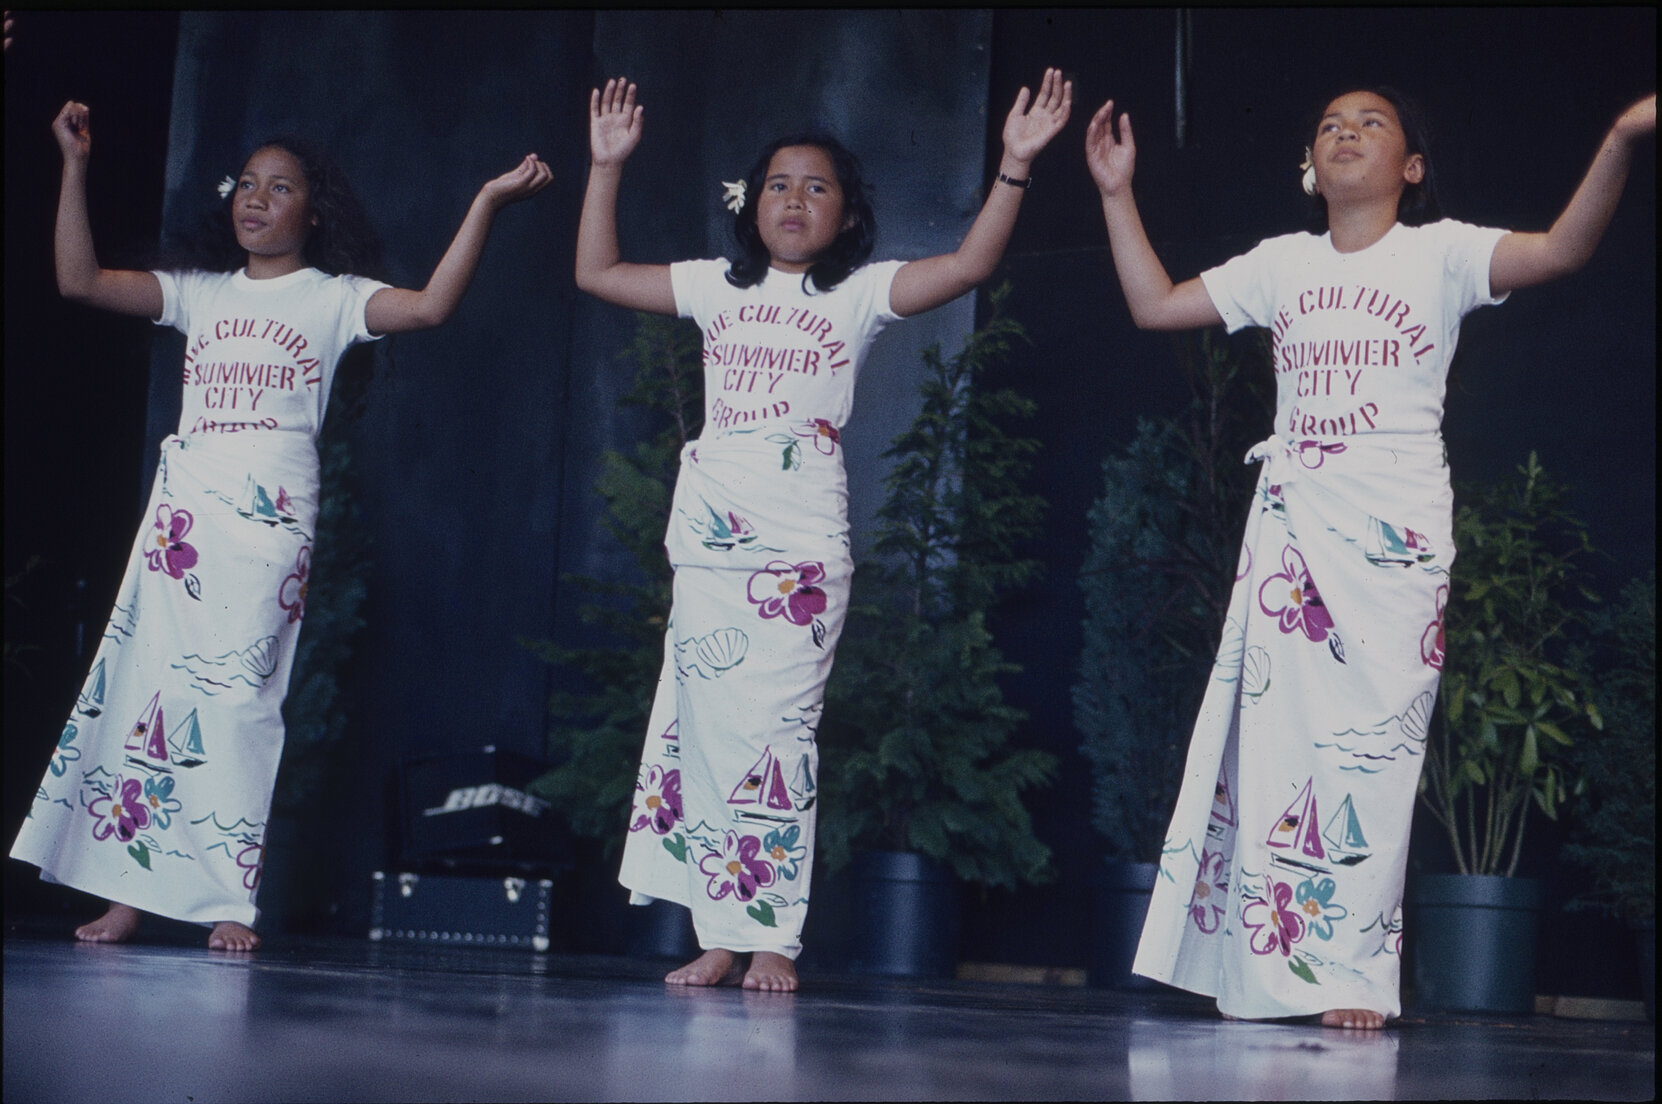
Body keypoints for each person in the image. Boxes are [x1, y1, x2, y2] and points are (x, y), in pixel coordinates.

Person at [1086, 86, 1655, 1028]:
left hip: (1394, 532)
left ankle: (1350, 974)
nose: (1347, 131)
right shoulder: (1282, 263)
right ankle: (1270, 971)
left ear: (1413, 168)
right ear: (1311, 165)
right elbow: (1153, 305)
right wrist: (1114, 190)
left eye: (1373, 123)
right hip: (1298, 525)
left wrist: (1623, 134)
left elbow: (1563, 248)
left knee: (1373, 757)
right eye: (1329, 125)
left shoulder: (1442, 252)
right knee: (1279, 750)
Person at [10, 100, 552, 951]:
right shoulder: (198, 292)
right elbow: (79, 281)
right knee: (148, 694)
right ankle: (126, 891)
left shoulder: (334, 299)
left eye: (280, 187)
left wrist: (484, 201)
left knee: (239, 703)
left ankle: (229, 896)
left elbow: (432, 308)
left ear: (314, 210)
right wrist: (74, 167)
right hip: (183, 521)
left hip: (266, 524)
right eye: (247, 185)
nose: (256, 200)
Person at [575, 71, 1072, 991]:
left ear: (846, 215)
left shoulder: (858, 294)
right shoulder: (715, 288)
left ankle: (772, 939)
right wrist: (606, 168)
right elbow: (596, 273)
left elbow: (965, 268)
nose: (794, 199)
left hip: (798, 547)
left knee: (777, 733)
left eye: (816, 187)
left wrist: (1013, 164)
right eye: (778, 184)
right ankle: (717, 933)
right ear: (751, 206)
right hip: (712, 541)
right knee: (702, 732)